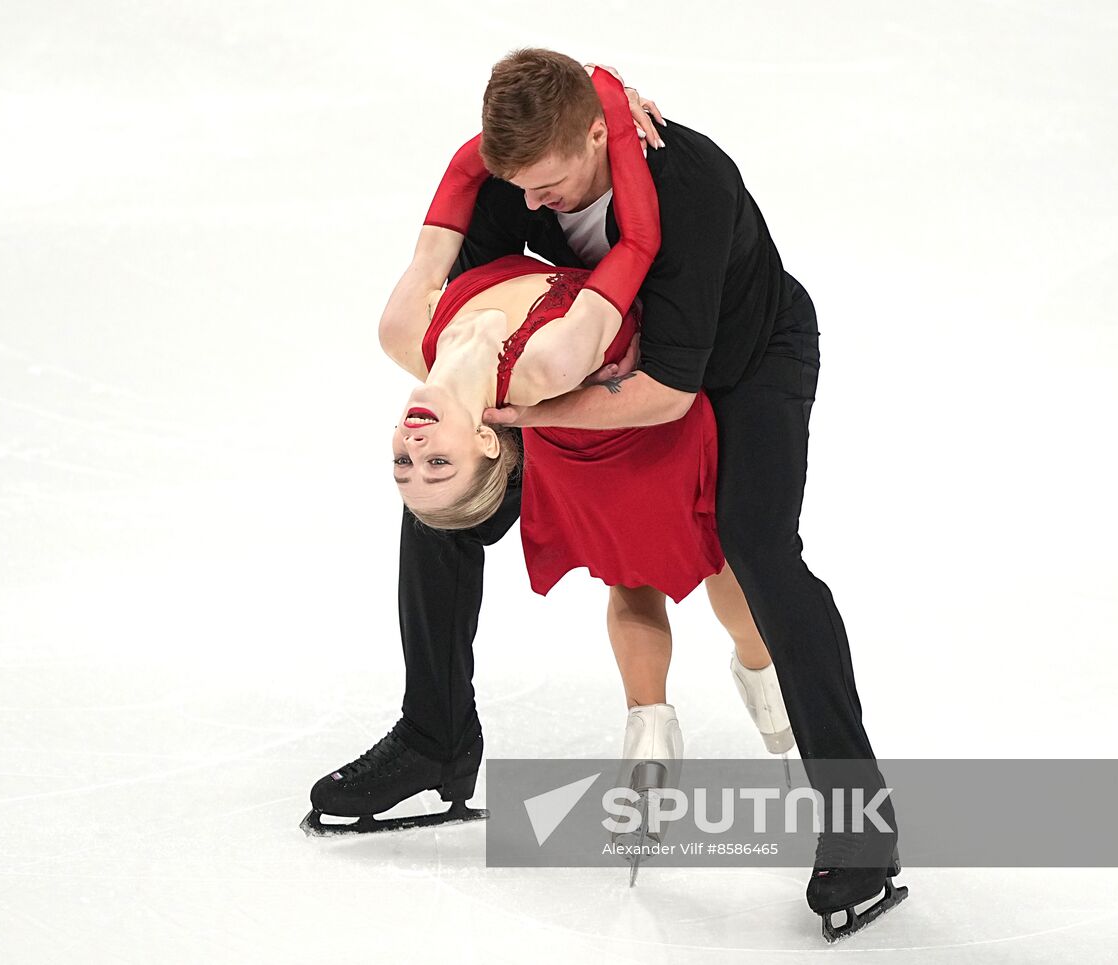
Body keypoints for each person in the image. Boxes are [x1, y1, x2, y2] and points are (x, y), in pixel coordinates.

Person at [310, 50, 906, 941]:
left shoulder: (690, 181)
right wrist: (479, 405)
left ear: (598, 134)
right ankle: (435, 736)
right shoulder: (518, 179)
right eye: (522, 188)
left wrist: (523, 407)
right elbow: (459, 310)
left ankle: (861, 824)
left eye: (550, 186)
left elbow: (669, 389)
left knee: (759, 551)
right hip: (584, 368)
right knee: (438, 495)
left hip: (742, 364)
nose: (536, 205)